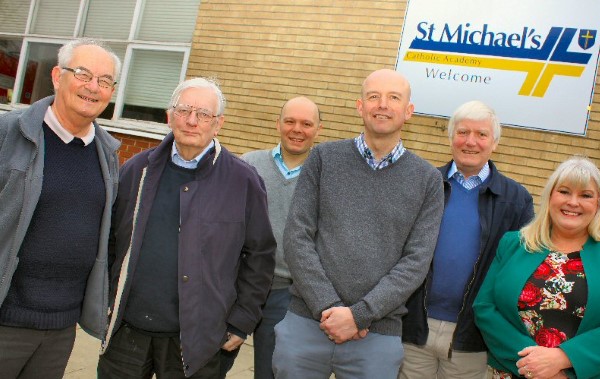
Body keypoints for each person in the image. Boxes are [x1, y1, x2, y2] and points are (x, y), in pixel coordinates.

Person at [97, 77, 276, 378]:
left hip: (197, 341)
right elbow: (110, 239)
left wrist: (242, 320)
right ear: (169, 116)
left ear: (218, 124)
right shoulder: (137, 170)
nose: (192, 121)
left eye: (204, 114)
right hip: (126, 333)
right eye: (184, 110)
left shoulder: (243, 181)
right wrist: (104, 301)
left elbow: (259, 256)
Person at [272, 68, 445, 378]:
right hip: (307, 324)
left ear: (408, 111)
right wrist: (329, 308)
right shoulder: (324, 158)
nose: (382, 104)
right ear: (360, 106)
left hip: (377, 335)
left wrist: (359, 316)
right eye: (373, 96)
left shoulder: (428, 180)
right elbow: (297, 237)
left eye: (394, 98)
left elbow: (416, 262)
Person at [0, 38, 121, 379]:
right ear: (57, 76)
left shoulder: (106, 154)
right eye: (82, 73)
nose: (92, 87)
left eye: (105, 80)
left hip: (61, 328)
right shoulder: (9, 134)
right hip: (6, 319)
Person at [400, 100, 534, 378]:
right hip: (413, 329)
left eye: (481, 134)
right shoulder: (424, 183)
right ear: (451, 139)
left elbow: (521, 272)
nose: (470, 141)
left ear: (494, 142)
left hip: (472, 338)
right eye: (462, 132)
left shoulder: (517, 200)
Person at [473, 156, 600, 379]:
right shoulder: (513, 244)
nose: (573, 202)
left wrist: (564, 359)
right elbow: (485, 308)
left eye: (585, 195)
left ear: (599, 203)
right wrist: (537, 367)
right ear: (550, 196)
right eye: (564, 191)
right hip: (518, 370)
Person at [242, 96, 323, 379]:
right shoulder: (248, 165)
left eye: (306, 123)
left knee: (271, 370)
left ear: (318, 129)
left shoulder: (326, 176)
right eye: (290, 121)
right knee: (207, 363)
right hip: (240, 285)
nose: (297, 129)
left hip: (286, 293)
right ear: (278, 124)